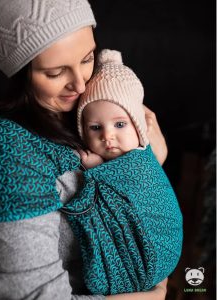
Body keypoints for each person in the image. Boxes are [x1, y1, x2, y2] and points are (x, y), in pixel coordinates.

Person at [0, 0, 168, 299]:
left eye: (88, 58)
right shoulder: (12, 152)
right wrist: (149, 296)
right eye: (55, 73)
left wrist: (150, 162)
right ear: (20, 75)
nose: (80, 83)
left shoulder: (102, 98)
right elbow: (34, 295)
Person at [59, 49, 183, 295]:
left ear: (138, 127)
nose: (107, 136)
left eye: (119, 124)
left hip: (160, 248)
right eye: (95, 127)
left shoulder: (141, 159)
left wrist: (96, 170)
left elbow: (145, 197)